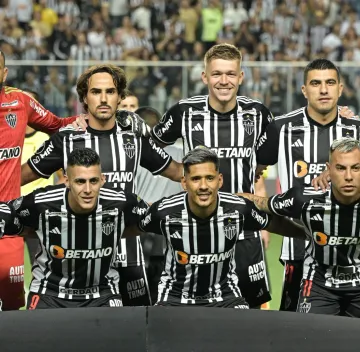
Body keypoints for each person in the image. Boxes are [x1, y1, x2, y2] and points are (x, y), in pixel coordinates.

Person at [20, 64, 183, 307]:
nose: (104, 98)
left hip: (125, 251)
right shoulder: (67, 139)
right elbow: (17, 177)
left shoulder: (133, 140)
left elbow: (180, 172)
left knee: (132, 331)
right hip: (72, 254)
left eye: (111, 91)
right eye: (96, 92)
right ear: (85, 97)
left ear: (120, 97)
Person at [239, 138, 360, 320]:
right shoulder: (306, 199)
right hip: (319, 285)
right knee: (312, 341)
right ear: (329, 170)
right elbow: (261, 203)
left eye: (355, 168)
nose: (349, 176)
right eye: (340, 168)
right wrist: (225, 199)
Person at [254, 58, 360, 312]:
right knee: (300, 334)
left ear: (340, 89)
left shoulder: (359, 129)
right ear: (304, 90)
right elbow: (254, 173)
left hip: (356, 253)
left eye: (330, 82)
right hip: (299, 248)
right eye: (315, 83)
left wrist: (342, 176)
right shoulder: (280, 128)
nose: (323, 89)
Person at [149, 43, 273, 308]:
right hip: (195, 230)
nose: (224, 81)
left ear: (241, 77)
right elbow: (150, 145)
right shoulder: (184, 112)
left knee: (253, 313)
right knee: (190, 309)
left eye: (230, 74)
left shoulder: (258, 113)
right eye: (216, 74)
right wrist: (176, 172)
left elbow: (265, 157)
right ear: (205, 77)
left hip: (244, 232)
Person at [137, 147, 307, 308]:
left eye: (209, 178)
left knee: (243, 334)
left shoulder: (238, 209)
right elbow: (134, 227)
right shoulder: (164, 212)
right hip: (175, 299)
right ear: (184, 182)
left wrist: (308, 235)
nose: (203, 186)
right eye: (196, 179)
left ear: (220, 180)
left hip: (225, 298)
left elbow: (274, 223)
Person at [0, 148, 149, 309]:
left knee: (118, 334)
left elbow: (156, 218)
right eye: (80, 181)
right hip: (50, 293)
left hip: (102, 293)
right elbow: (7, 214)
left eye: (93, 181)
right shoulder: (41, 203)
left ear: (102, 180)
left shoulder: (122, 203)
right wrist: (35, 231)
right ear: (66, 181)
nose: (87, 190)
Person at [0, 50, 89, 311]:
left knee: (12, 302)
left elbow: (58, 124)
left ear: (4, 73)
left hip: (7, 223)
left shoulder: (20, 103)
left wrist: (91, 119)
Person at [134, 105, 184, 304]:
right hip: (173, 232)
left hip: (138, 231)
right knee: (169, 293)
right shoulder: (181, 155)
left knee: (137, 295)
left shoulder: (132, 153)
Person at [20, 89, 57, 265]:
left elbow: (65, 175)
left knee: (39, 264)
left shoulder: (45, 139)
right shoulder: (7, 137)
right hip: (8, 207)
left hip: (37, 212)